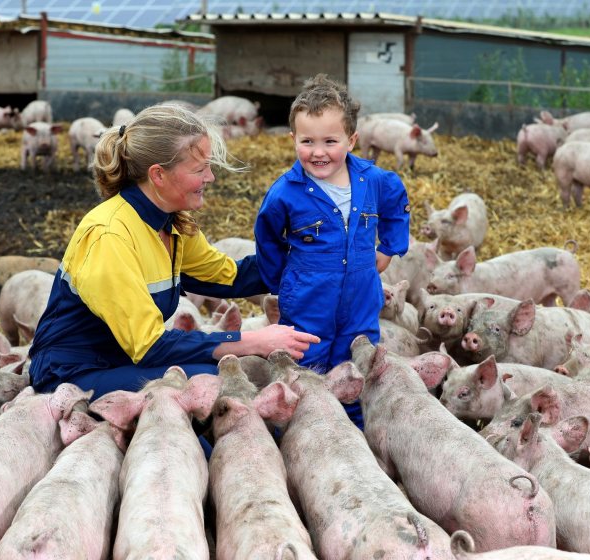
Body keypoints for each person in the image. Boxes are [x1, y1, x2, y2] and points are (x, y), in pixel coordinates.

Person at [28, 103, 320, 400]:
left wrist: (316, 253)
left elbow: (230, 278)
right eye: (200, 169)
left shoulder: (172, 223)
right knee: (208, 382)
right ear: (158, 175)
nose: (211, 178)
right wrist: (251, 340)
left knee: (221, 371)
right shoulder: (110, 235)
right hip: (72, 373)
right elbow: (150, 346)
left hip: (121, 359)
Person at [254, 74, 411, 429]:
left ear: (351, 140)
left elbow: (396, 205)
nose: (318, 152)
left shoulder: (374, 180)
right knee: (307, 360)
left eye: (330, 141)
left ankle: (352, 428)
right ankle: (302, 430)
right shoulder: (286, 192)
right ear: (292, 139)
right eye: (307, 141)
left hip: (361, 290)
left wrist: (389, 247)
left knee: (356, 360)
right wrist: (282, 279)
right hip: (309, 293)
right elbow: (267, 235)